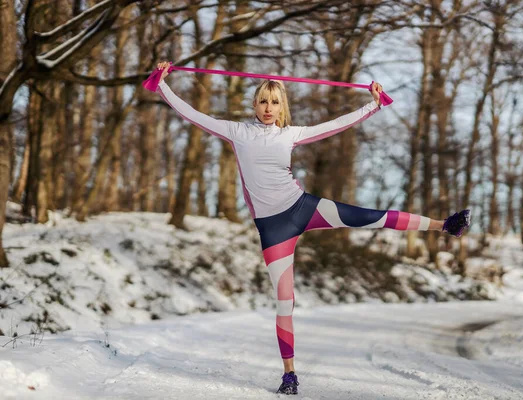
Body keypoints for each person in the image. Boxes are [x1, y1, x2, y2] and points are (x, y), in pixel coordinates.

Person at [154, 61, 470, 395]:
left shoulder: (291, 134)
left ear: (282, 107)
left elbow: (336, 125)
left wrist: (372, 104)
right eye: (263, 101)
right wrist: (163, 84)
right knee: (284, 301)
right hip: (273, 229)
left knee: (369, 215)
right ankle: (289, 374)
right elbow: (192, 114)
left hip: (302, 208)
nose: (268, 108)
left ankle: (445, 225)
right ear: (254, 104)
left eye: (275, 102)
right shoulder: (238, 132)